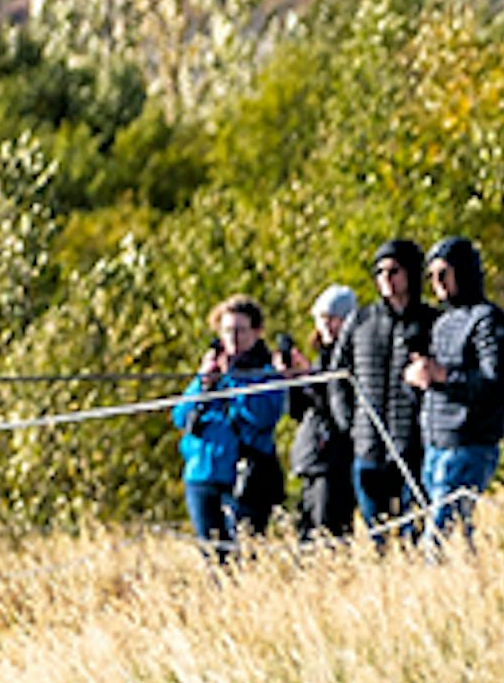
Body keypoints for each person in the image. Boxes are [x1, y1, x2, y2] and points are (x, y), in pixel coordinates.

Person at [407, 236, 504, 545]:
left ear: (463, 272)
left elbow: (493, 383)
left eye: (444, 274)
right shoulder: (442, 323)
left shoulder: (488, 321)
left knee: (437, 538)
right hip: (435, 439)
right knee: (457, 535)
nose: (437, 283)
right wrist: (419, 377)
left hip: (469, 441)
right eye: (432, 277)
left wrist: (441, 375)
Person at [175, 296, 288, 564]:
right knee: (213, 557)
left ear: (257, 332)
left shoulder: (267, 374)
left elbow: (263, 417)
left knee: (244, 556)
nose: (233, 338)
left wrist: (234, 382)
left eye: (240, 330)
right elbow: (180, 416)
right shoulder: (210, 371)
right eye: (227, 331)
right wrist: (205, 384)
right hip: (203, 474)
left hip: (246, 478)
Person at [338, 239, 436, 538]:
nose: (386, 278)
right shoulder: (361, 321)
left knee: (414, 532)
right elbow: (338, 376)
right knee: (376, 532)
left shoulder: (432, 321)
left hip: (414, 445)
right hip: (367, 445)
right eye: (380, 272)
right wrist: (349, 424)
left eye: (394, 270)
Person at [284, 284, 359, 544]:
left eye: (334, 318)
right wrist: (293, 382)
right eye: (322, 318)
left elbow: (338, 406)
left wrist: (311, 379)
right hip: (311, 457)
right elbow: (300, 411)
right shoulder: (320, 359)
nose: (327, 325)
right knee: (307, 532)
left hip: (336, 460)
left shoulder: (354, 357)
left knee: (330, 533)